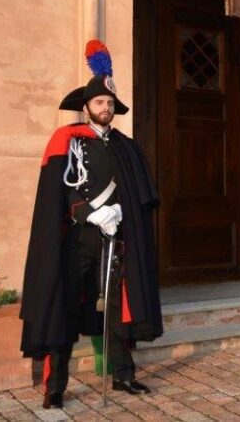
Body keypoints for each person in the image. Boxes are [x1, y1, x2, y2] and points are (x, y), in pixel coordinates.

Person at [20, 40, 163, 409]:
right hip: (77, 238)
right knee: (63, 308)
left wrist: (121, 216)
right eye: (100, 103)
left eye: (111, 104)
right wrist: (89, 212)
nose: (106, 109)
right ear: (86, 107)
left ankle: (123, 374)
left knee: (116, 306)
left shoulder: (125, 146)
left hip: (115, 239)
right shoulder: (67, 140)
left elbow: (136, 194)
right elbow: (59, 192)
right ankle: (56, 385)